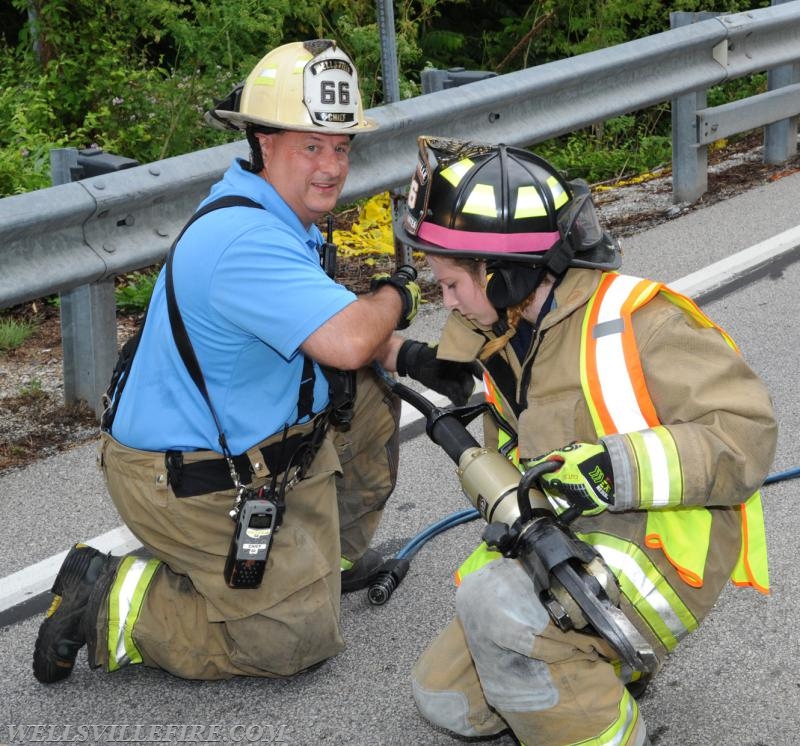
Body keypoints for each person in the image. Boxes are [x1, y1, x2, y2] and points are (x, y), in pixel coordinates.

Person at [32, 41, 473, 684]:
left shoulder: (282, 215)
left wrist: (408, 354)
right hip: (185, 477)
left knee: (372, 393)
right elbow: (348, 339)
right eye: (311, 146)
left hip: (264, 443)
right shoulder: (244, 239)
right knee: (294, 642)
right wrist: (398, 295)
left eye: (341, 147)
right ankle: (107, 599)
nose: (331, 167)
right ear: (264, 142)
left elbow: (329, 333)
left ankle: (325, 565)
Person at [394, 136, 777, 745]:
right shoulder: (506, 334)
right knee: (445, 699)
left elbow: (747, 435)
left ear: (503, 276)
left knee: (498, 606)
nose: (446, 302)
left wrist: (607, 467)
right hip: (569, 541)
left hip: (660, 547)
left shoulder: (637, 322)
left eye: (451, 286)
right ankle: (588, 667)